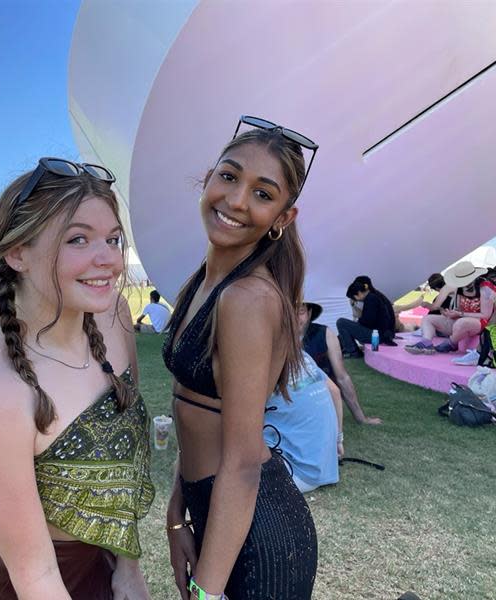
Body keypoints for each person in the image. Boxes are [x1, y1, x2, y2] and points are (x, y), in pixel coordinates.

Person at [0, 157, 154, 600]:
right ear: (17, 252)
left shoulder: (113, 315)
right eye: (78, 239)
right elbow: (35, 576)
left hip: (93, 569)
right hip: (0, 585)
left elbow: (126, 456)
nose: (109, 260)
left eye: (113, 239)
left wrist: (128, 569)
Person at [163, 116, 318, 600]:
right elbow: (190, 412)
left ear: (283, 218)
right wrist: (176, 515)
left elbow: (244, 460)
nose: (235, 200)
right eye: (229, 176)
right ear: (209, 176)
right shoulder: (202, 281)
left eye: (263, 193)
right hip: (215, 509)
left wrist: (206, 593)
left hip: (258, 533)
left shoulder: (248, 298)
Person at [263, 350, 343, 493]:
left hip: (292, 471)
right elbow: (335, 392)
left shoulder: (264, 361)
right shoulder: (302, 355)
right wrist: (338, 440)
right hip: (324, 468)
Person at [300, 301, 382, 425]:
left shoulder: (324, 334)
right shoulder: (276, 335)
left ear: (309, 313)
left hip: (318, 397)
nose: (294, 317)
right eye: (289, 311)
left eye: (300, 312)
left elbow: (342, 377)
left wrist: (361, 418)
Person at [405, 261, 496, 357]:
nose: (464, 284)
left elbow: (485, 315)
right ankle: (426, 343)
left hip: (480, 323)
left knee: (461, 323)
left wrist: (460, 314)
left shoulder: (484, 289)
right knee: (428, 319)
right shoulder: (458, 288)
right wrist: (451, 313)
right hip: (461, 321)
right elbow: (458, 308)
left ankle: (452, 343)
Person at [336, 277, 397, 358]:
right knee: (348, 325)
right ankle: (346, 348)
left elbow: (367, 322)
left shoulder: (371, 298)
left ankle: (353, 352)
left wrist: (356, 323)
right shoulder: (375, 296)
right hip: (384, 334)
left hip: (379, 336)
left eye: (354, 297)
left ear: (359, 293)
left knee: (341, 322)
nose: (355, 300)